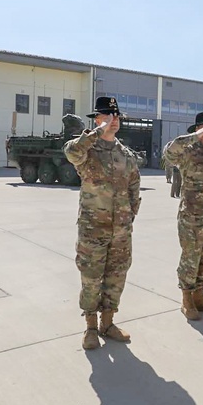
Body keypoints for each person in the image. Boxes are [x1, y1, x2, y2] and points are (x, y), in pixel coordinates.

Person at [64, 97, 142, 350]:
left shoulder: (125, 154)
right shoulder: (87, 150)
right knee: (91, 278)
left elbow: (134, 185)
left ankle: (107, 323)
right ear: (97, 119)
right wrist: (97, 132)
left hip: (121, 230)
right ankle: (90, 328)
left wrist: (130, 214)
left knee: (116, 277)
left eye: (116, 116)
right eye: (107, 116)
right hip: (93, 229)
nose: (113, 120)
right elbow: (71, 152)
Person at [162, 111, 203, 321]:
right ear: (199, 129)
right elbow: (168, 154)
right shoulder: (188, 151)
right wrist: (194, 136)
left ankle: (199, 295)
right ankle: (186, 299)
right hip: (192, 216)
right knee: (191, 257)